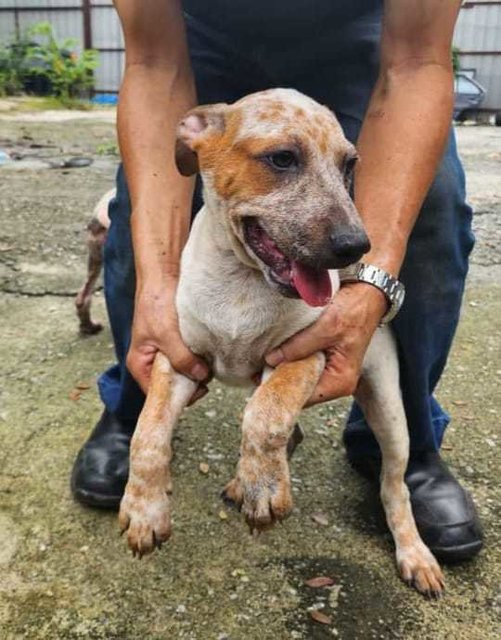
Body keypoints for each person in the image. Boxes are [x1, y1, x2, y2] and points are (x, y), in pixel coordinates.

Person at [71, 0, 483, 562]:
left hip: (366, 35)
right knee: (132, 222)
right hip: (198, 34)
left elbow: (416, 59)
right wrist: (156, 278)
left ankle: (406, 444)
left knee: (434, 211)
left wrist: (372, 280)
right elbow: (153, 62)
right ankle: (130, 408)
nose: (349, 239)